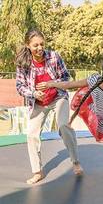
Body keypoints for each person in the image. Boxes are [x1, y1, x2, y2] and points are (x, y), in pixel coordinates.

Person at [16, 29, 83, 184]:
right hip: (37, 102)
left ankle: (75, 161)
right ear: (28, 45)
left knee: (63, 126)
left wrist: (53, 85)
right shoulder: (23, 63)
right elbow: (20, 86)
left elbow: (66, 77)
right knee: (31, 134)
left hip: (58, 98)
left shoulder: (53, 57)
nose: (39, 48)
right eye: (35, 45)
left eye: (42, 44)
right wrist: (33, 93)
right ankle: (37, 172)